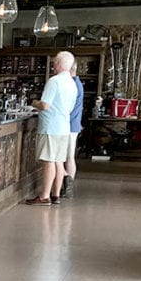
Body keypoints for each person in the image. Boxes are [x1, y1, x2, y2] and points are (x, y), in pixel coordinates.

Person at [26, 51, 78, 206]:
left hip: (50, 127)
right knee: (59, 161)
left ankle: (44, 196)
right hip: (63, 126)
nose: (53, 65)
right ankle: (56, 195)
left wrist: (34, 102)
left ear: (59, 64)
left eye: (55, 62)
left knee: (48, 161)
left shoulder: (54, 81)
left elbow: (45, 105)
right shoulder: (72, 83)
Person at [63, 62, 84, 198]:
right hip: (74, 125)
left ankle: (67, 184)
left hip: (68, 125)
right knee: (69, 157)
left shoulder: (71, 85)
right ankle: (67, 185)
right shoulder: (77, 83)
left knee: (65, 158)